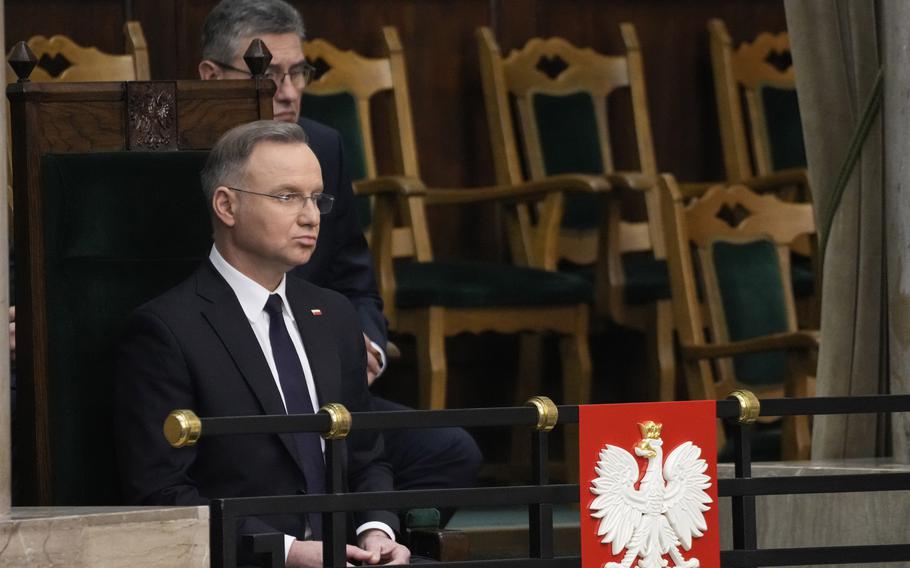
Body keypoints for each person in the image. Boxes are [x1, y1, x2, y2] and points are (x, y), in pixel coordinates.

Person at [197, 0, 481, 501]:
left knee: (449, 449)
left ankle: (373, 545)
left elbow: (355, 281)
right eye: (266, 72)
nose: (286, 92)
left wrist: (365, 344)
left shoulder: (323, 147)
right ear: (211, 75)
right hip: (230, 394)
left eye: (298, 72)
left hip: (323, 389)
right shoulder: (178, 158)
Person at [114, 120, 416, 566]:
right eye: (287, 196)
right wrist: (288, 552)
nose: (311, 215)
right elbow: (162, 493)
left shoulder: (334, 314)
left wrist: (377, 530)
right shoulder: (165, 331)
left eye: (316, 197)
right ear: (227, 206)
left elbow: (366, 459)